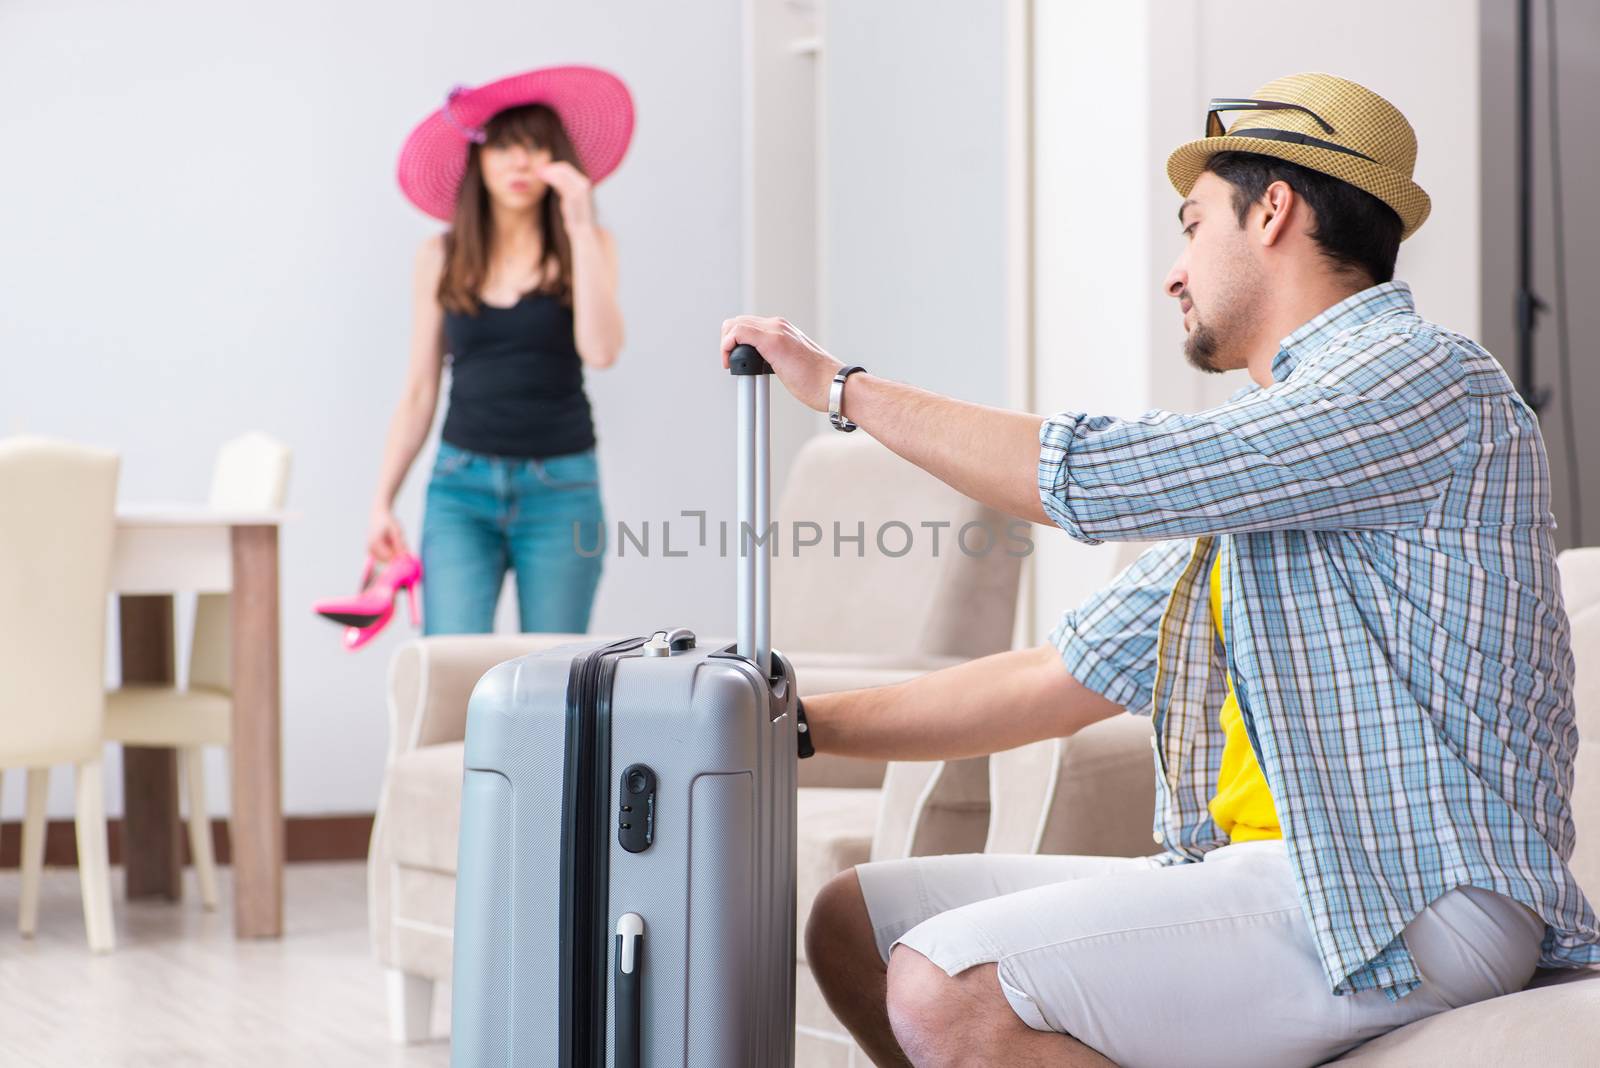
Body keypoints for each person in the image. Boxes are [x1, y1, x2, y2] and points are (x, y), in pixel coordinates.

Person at [721, 73, 1600, 1067]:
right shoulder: (1277, 462)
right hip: (1293, 876)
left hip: (1415, 889)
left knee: (945, 986)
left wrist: (843, 389)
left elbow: (1093, 477)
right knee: (854, 926)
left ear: (1272, 210)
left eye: (1189, 226)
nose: (1173, 271)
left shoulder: (1424, 382)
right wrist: (791, 725)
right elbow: (1061, 673)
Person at [369, 66, 632, 635]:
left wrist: (581, 225)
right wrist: (381, 501)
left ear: (556, 161)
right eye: (504, 148)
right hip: (460, 489)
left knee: (552, 680)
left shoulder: (588, 246)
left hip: (562, 489)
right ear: (477, 161)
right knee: (448, 671)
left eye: (535, 148)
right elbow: (419, 391)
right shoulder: (440, 255)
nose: (519, 163)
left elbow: (602, 350)